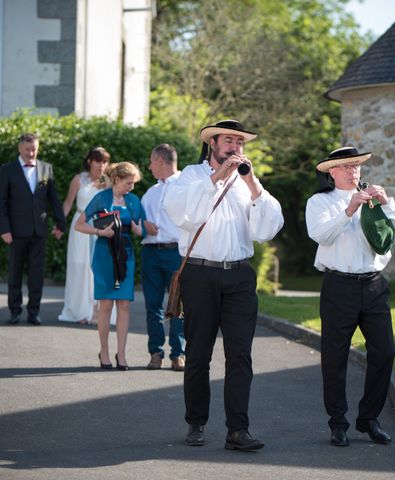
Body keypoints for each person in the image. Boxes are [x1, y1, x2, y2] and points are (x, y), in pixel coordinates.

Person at [164, 119, 284, 451]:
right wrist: (216, 178)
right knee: (199, 352)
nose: (235, 147)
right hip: (200, 276)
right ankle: (196, 422)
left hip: (239, 277)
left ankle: (238, 430)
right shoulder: (189, 175)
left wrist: (253, 184)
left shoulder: (248, 183)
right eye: (229, 141)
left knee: (240, 355)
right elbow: (181, 214)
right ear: (213, 144)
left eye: (240, 143)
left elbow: (267, 228)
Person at [305, 146, 395, 447]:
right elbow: (321, 235)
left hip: (374, 285)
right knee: (335, 357)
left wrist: (386, 203)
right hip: (339, 287)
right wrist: (349, 210)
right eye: (347, 166)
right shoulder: (319, 202)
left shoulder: (374, 198)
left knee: (385, 350)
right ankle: (338, 423)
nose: (354, 171)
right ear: (331, 171)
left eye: (356, 166)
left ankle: (369, 419)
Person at [75, 162, 145, 371]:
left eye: (133, 184)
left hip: (126, 253)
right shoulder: (101, 198)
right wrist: (100, 232)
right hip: (104, 253)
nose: (131, 188)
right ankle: (104, 351)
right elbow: (80, 224)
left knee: (124, 304)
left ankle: (121, 354)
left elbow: (141, 230)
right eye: (128, 183)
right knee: (105, 305)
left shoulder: (133, 200)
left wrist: (137, 229)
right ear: (116, 180)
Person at [0, 133, 66, 326]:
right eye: (27, 149)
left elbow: (54, 199)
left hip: (39, 230)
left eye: (34, 148)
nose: (31, 152)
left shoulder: (46, 168)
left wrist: (61, 224)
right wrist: (4, 229)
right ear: (20, 148)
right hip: (16, 231)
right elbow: (0, 202)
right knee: (15, 273)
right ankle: (15, 311)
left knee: (37, 274)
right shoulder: (7, 169)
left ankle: (34, 312)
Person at [141, 144, 186, 371]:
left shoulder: (186, 186)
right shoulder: (151, 192)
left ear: (161, 161)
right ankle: (155, 353)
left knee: (177, 305)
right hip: (150, 253)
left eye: (151, 162)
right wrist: (142, 224)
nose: (149, 167)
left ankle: (178, 354)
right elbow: (137, 223)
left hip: (176, 253)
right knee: (152, 305)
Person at [58, 147, 112, 325]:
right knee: (79, 266)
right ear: (90, 161)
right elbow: (67, 203)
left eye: (105, 162)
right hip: (79, 226)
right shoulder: (78, 179)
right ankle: (80, 311)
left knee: (98, 268)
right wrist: (60, 224)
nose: (102, 166)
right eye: (99, 161)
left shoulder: (108, 182)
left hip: (100, 226)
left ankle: (97, 312)